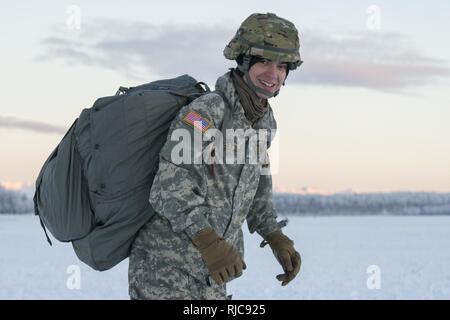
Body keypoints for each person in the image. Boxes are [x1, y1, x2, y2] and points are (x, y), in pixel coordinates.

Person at [128, 12, 302, 300]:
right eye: (264, 61)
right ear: (243, 61)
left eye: (282, 66)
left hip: (214, 274)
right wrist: (208, 241)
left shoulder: (264, 123)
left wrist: (274, 235)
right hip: (165, 269)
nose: (274, 74)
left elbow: (257, 188)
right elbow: (168, 187)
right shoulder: (206, 112)